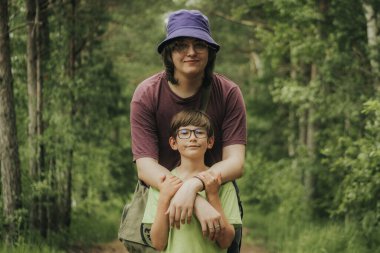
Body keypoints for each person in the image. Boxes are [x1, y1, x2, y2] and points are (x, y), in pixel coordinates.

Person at [130, 9, 246, 252]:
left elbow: (235, 162)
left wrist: (194, 186)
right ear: (169, 53)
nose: (191, 52)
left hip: (217, 197)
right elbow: (145, 166)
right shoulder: (146, 94)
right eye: (181, 45)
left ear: (210, 52)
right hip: (161, 198)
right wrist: (191, 198)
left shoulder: (228, 93)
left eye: (199, 44)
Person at [142, 110, 242, 252]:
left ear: (210, 142)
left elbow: (225, 241)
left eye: (199, 132)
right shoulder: (163, 183)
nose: (192, 138)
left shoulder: (221, 183)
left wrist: (213, 195)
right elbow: (158, 243)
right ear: (173, 142)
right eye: (184, 133)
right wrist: (165, 197)